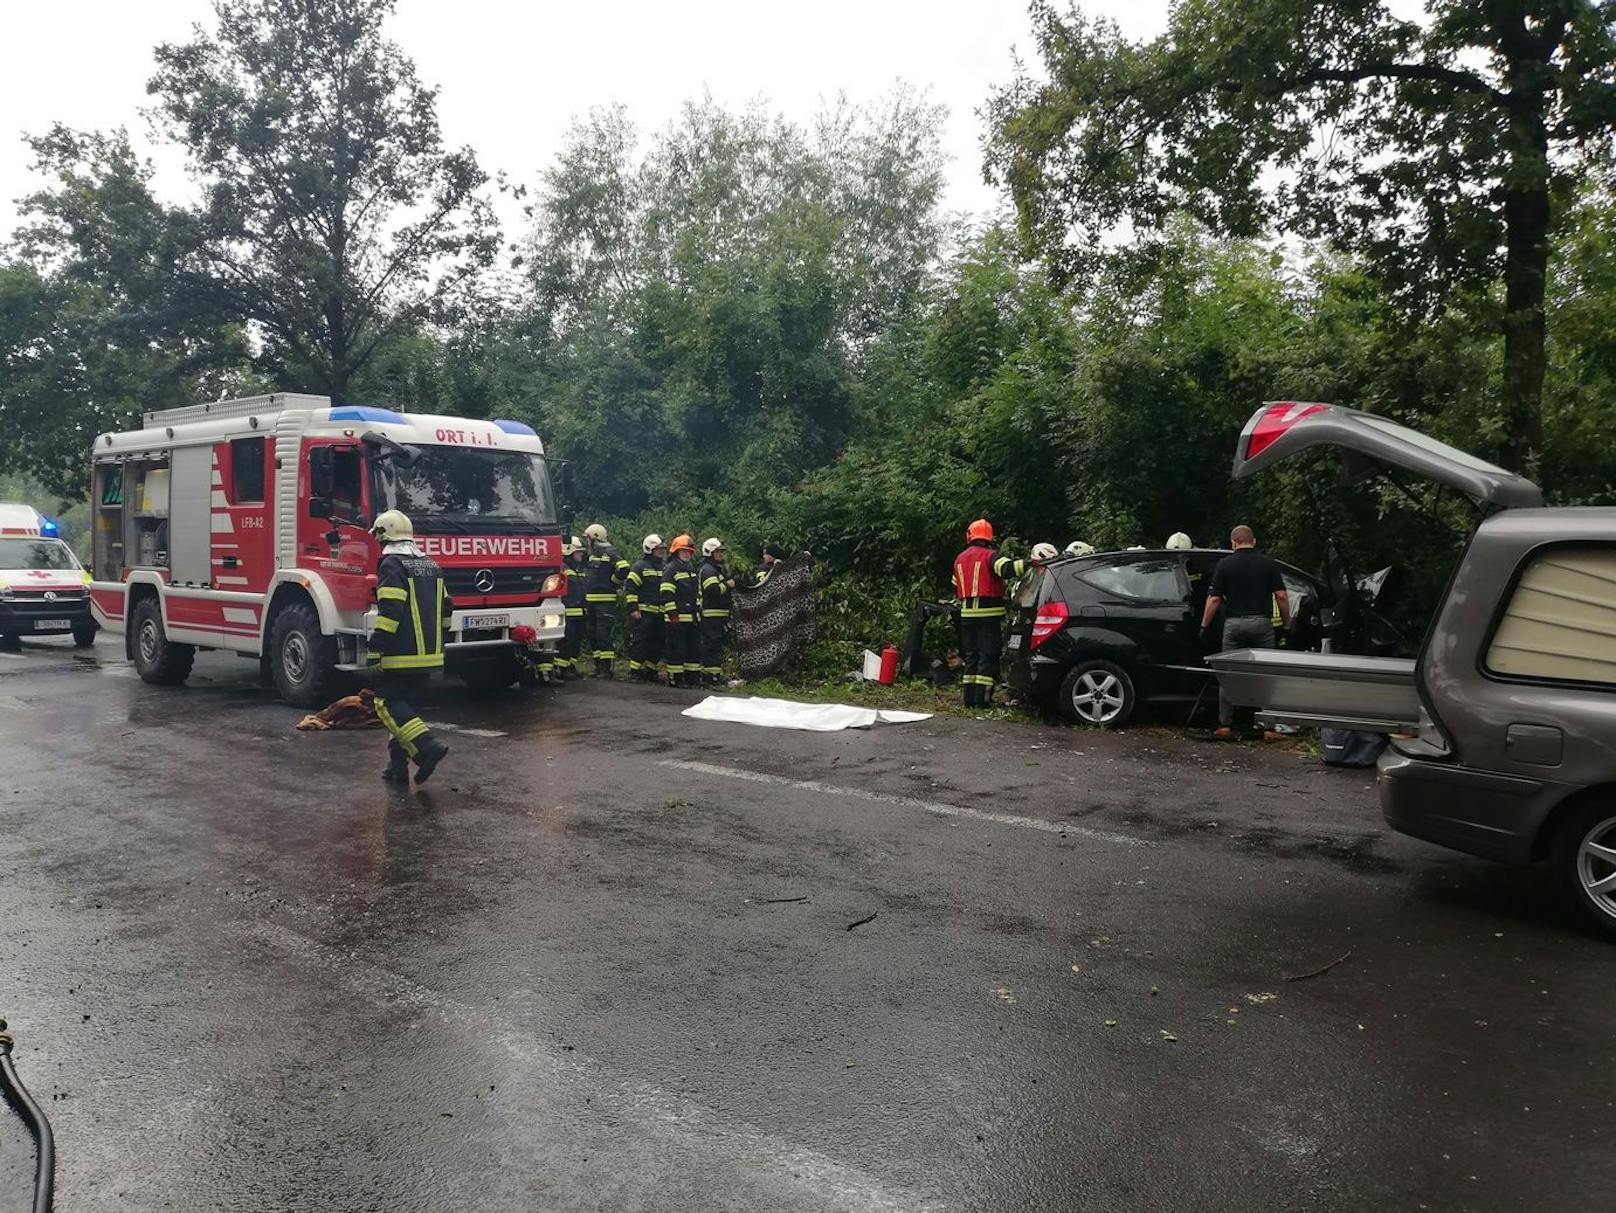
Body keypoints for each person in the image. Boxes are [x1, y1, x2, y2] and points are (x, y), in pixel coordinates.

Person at [367, 510, 451, 785]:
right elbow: (447, 609)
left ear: (383, 536)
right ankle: (397, 766)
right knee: (406, 712)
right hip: (430, 653)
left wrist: (376, 647)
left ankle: (427, 748)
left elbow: (390, 611)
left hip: (400, 654)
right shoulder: (432, 565)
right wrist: (440, 640)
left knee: (385, 703)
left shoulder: (392, 565)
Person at [1200, 524, 1290, 740]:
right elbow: (1282, 596)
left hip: (1234, 625)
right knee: (1266, 676)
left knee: (1228, 675)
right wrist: (1287, 624)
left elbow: (1214, 599)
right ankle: (1268, 728)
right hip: (1262, 625)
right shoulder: (1268, 564)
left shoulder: (1225, 565)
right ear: (1254, 541)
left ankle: (1225, 726)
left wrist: (1204, 625)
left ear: (1233, 542)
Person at [952, 519, 1026, 708]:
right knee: (988, 655)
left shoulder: (959, 558)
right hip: (988, 615)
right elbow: (1008, 569)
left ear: (970, 536)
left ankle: (968, 699)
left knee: (971, 656)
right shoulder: (990, 556)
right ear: (989, 537)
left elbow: (955, 584)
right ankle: (982, 700)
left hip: (967, 615)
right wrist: (1030, 564)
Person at [582, 522, 630, 678]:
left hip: (606, 601)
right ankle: (598, 666)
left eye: (588, 538)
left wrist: (614, 581)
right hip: (591, 600)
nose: (587, 541)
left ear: (595, 538)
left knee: (603, 634)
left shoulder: (609, 551)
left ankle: (606, 669)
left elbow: (624, 568)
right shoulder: (592, 554)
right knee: (592, 633)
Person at [626, 534, 669, 682]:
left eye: (663, 549)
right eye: (658, 549)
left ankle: (651, 671)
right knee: (641, 642)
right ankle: (634, 671)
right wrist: (633, 609)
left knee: (658, 643)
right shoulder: (639, 566)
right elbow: (631, 589)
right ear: (649, 549)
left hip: (660, 613)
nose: (662, 552)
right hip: (644, 613)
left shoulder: (665, 567)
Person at [662, 534, 701, 687]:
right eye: (684, 550)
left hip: (691, 618)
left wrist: (697, 613)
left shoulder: (690, 568)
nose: (687, 553)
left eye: (689, 551)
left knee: (693, 649)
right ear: (676, 551)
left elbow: (695, 594)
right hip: (676, 619)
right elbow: (666, 593)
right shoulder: (671, 569)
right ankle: (675, 679)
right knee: (676, 650)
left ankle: (692, 679)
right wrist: (673, 615)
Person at [698, 538, 735, 685]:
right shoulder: (708, 570)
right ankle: (708, 676)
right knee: (711, 645)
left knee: (716, 645)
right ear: (709, 552)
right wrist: (728, 584)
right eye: (718, 552)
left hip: (719, 615)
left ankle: (714, 675)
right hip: (710, 615)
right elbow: (712, 591)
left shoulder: (716, 569)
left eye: (720, 552)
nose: (720, 554)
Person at [554, 536, 586, 680]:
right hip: (568, 613)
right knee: (567, 641)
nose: (581, 554)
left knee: (575, 642)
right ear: (568, 551)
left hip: (579, 613)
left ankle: (570, 666)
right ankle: (561, 667)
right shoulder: (563, 569)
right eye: (578, 551)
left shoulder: (576, 569)